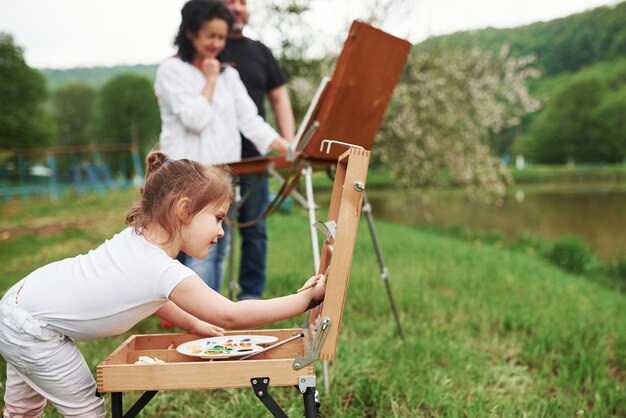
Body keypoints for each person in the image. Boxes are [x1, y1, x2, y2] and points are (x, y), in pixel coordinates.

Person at [0, 151, 326, 417]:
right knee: (88, 410)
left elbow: (157, 299)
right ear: (184, 210)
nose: (221, 232)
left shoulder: (140, 243)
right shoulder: (158, 267)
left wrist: (195, 322)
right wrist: (304, 299)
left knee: (23, 410)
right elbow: (230, 314)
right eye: (218, 218)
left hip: (21, 306)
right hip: (33, 329)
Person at [154, 0, 290, 294]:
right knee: (200, 252)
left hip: (223, 176)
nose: (217, 43)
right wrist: (210, 79)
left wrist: (284, 146)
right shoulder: (171, 71)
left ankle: (212, 320)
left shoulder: (230, 75)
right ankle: (200, 320)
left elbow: (250, 121)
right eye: (210, 36)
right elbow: (194, 119)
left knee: (219, 247)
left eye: (221, 37)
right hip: (188, 176)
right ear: (191, 33)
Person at [220, 0, 296, 300]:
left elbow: (279, 98)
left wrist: (288, 144)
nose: (238, 8)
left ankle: (250, 297)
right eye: (230, 1)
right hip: (214, 159)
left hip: (256, 156)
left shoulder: (260, 51)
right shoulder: (208, 49)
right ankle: (187, 300)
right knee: (202, 234)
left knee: (255, 230)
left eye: (243, 2)